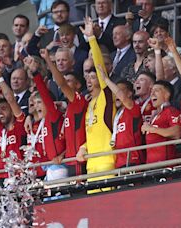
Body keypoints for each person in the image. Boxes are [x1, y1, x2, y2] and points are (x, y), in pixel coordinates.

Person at [77, 17, 116, 194]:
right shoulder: (90, 104)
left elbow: (99, 66)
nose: (90, 80)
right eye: (88, 78)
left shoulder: (106, 98)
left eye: (94, 77)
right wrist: (83, 147)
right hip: (91, 166)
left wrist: (92, 39)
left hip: (107, 163)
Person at [40, 48, 87, 176]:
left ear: (78, 85)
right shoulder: (68, 108)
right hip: (70, 160)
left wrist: (49, 61)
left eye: (69, 81)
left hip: (79, 160)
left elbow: (61, 84)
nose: (65, 84)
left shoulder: (79, 101)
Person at [98, 66, 143, 168]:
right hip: (119, 160)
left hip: (132, 158)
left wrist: (106, 80)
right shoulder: (117, 114)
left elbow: (121, 96)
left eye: (119, 90)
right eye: (114, 92)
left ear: (130, 93)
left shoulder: (133, 108)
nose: (116, 94)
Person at [141, 80, 181, 163]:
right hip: (150, 165)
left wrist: (152, 129)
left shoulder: (170, 111)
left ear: (167, 95)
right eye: (151, 91)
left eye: (156, 90)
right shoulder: (155, 115)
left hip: (164, 165)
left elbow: (177, 133)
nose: (152, 94)